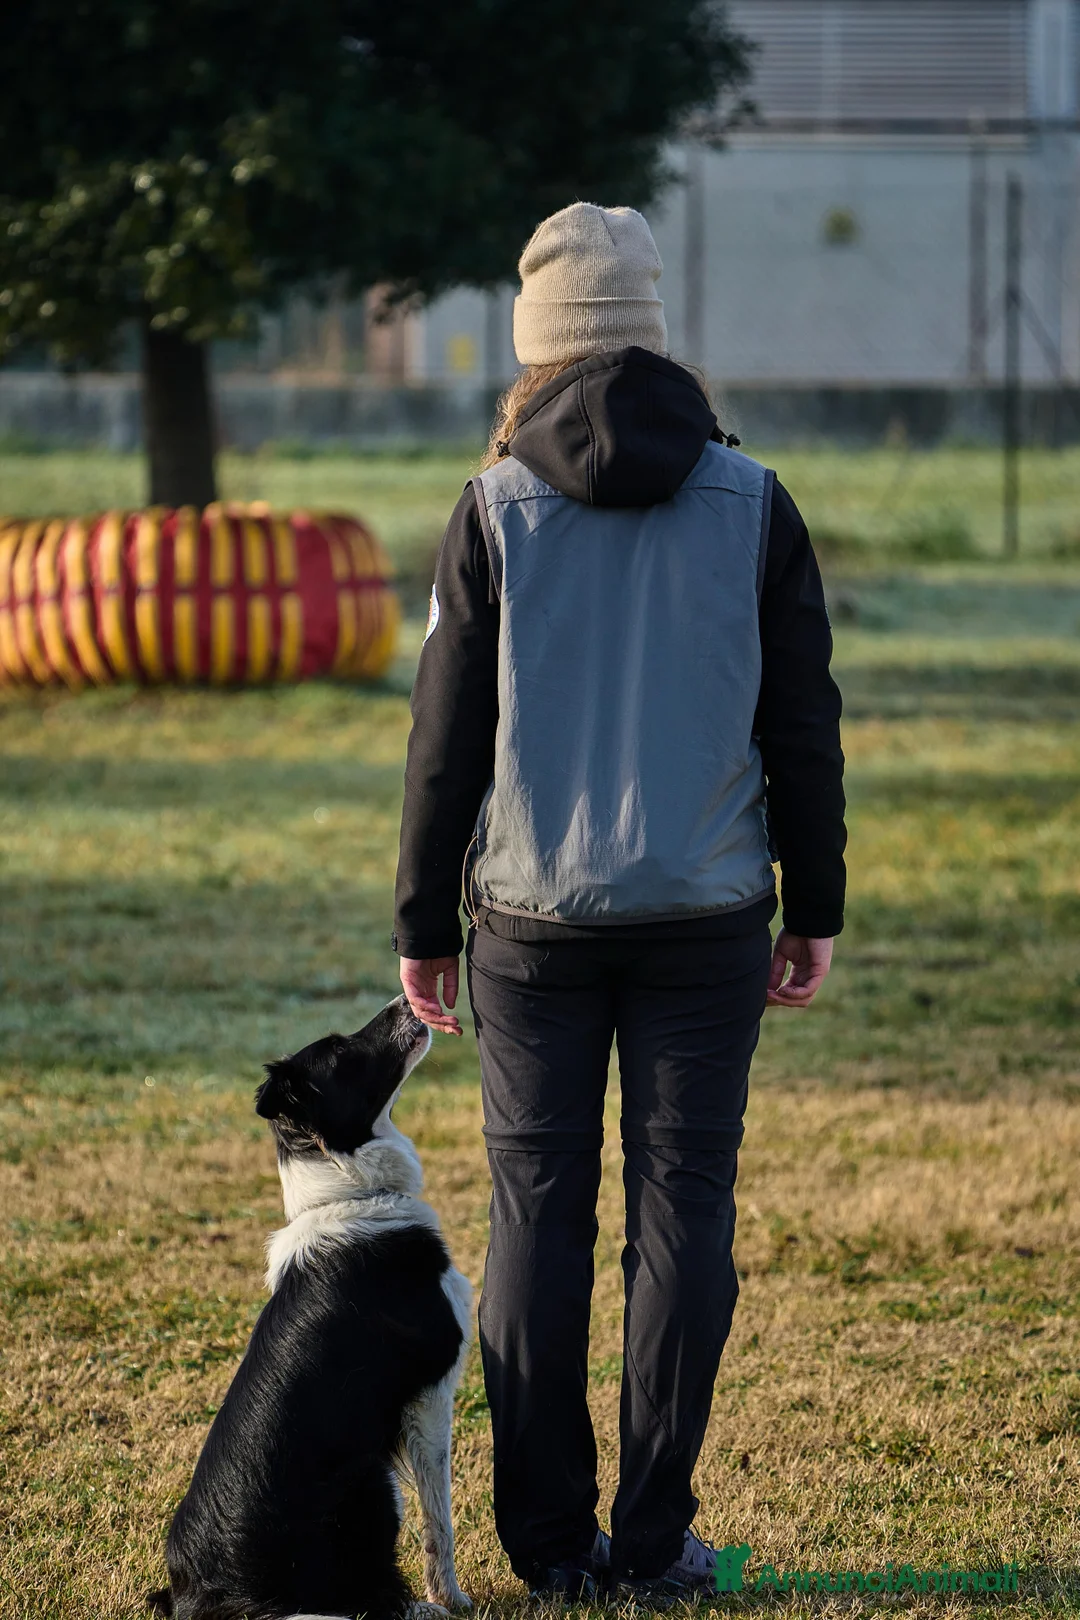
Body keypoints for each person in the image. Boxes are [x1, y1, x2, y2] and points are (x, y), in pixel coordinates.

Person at [393, 203, 845, 1603]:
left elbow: (444, 740)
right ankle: (651, 1543)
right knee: (684, 1211)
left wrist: (421, 924)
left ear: (532, 352)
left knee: (537, 1219)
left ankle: (546, 1549)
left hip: (529, 926)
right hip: (707, 914)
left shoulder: (489, 508)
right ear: (652, 336)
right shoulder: (755, 500)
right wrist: (812, 902)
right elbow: (803, 726)